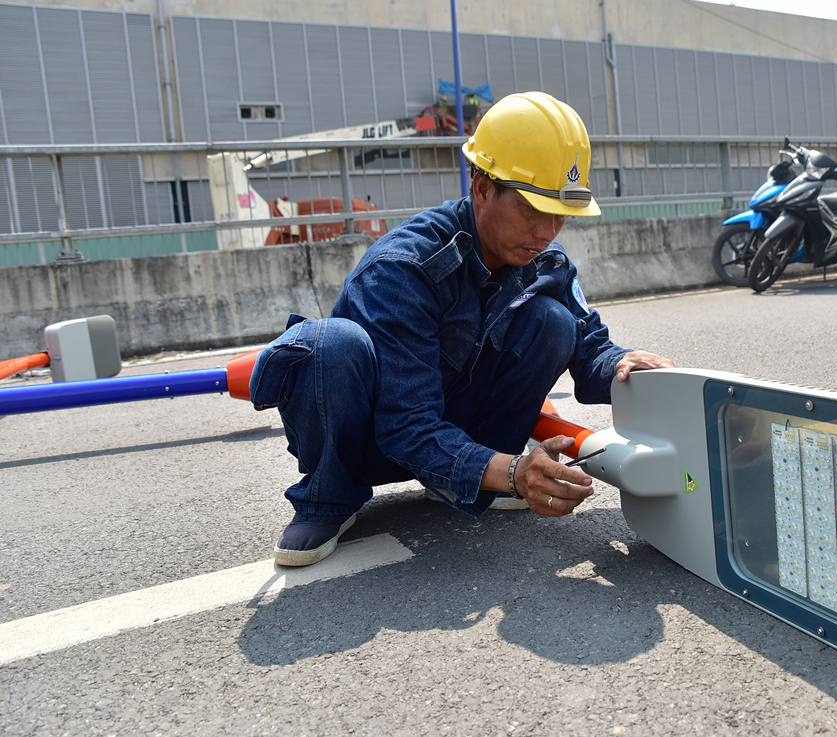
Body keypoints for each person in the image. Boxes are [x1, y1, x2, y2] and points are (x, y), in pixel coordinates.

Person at [249, 92, 674, 567]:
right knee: (330, 344)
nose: (547, 230)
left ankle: (459, 478)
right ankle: (328, 497)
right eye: (533, 209)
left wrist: (622, 363)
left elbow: (591, 348)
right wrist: (516, 473)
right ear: (482, 188)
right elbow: (403, 424)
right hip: (370, 438)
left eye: (561, 214)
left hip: (449, 434)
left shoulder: (545, 264)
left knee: (553, 323)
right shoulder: (405, 268)